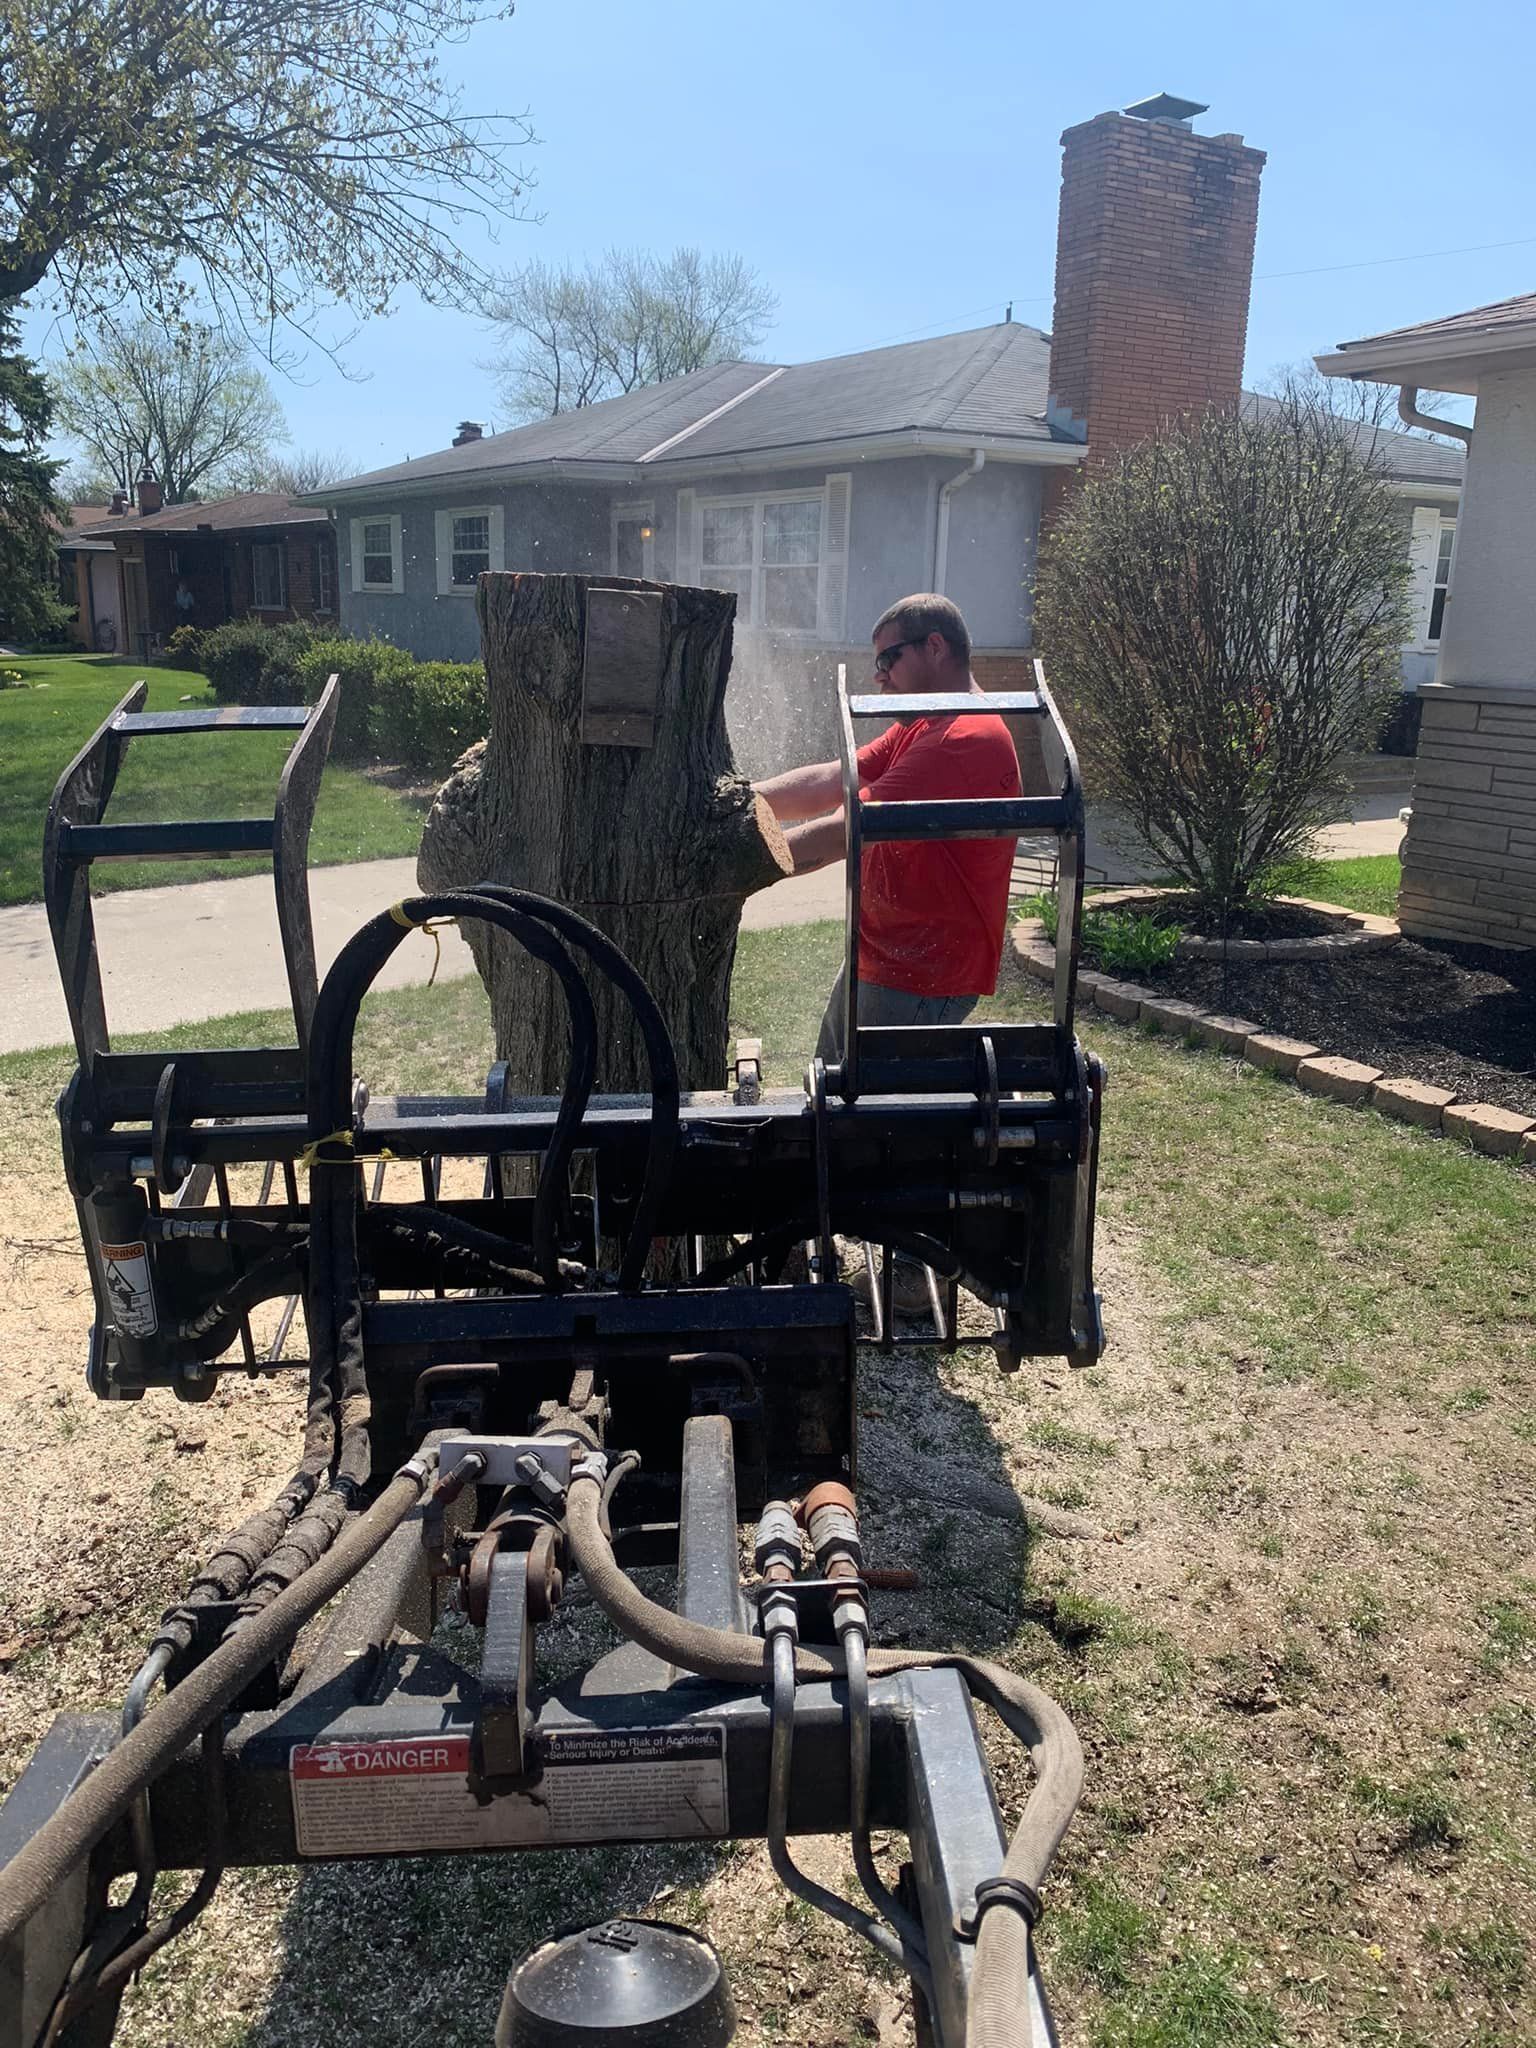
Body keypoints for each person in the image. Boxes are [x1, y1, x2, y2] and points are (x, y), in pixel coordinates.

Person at [753, 593, 1022, 1069]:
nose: (878, 675)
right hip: (889, 958)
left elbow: (848, 829)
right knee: (832, 1104)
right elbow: (837, 778)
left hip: (920, 975)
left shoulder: (963, 739)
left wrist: (737, 864)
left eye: (888, 658)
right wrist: (744, 801)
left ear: (935, 647)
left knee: (860, 1125)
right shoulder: (924, 722)